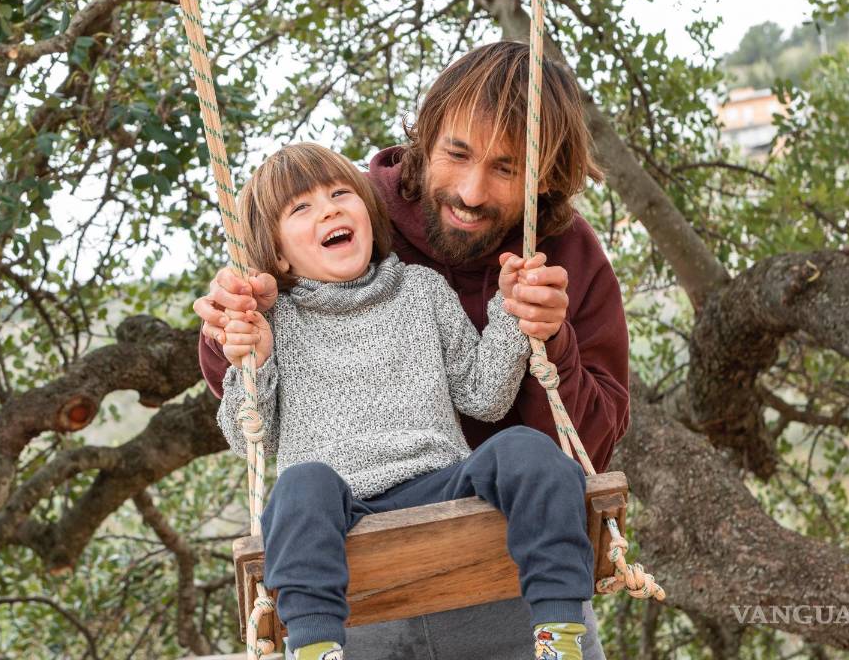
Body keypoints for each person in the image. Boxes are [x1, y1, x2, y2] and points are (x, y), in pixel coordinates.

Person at [197, 41, 629, 659]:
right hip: (351, 579)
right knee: (302, 487)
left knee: (526, 453)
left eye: (507, 169)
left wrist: (530, 326)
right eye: (457, 153)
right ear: (423, 139)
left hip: (486, 551)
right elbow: (248, 426)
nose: (474, 191)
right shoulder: (322, 246)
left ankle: (556, 635)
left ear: (545, 181)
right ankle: (315, 650)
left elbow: (497, 400)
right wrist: (237, 332)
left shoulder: (547, 259)